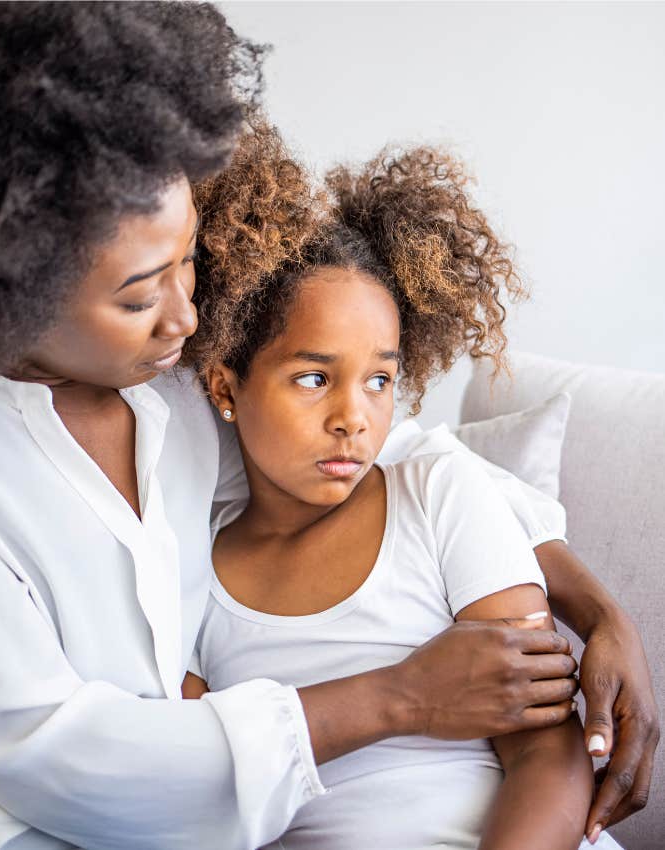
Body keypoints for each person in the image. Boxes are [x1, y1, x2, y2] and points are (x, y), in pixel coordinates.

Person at [0, 4, 655, 849]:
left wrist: (599, 615)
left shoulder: (171, 387)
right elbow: (33, 741)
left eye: (188, 259)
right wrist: (399, 696)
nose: (186, 314)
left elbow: (383, 448)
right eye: (140, 294)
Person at [181, 125, 626, 848]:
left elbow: (548, 752)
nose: (352, 418)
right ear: (226, 386)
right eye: (313, 378)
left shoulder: (436, 492)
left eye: (380, 380)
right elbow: (193, 792)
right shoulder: (187, 567)